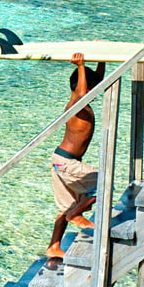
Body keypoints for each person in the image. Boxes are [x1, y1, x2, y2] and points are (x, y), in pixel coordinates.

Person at [46, 53, 105, 259]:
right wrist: (81, 65)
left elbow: (94, 83)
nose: (95, 92)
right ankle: (76, 214)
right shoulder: (76, 104)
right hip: (67, 162)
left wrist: (101, 59)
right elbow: (82, 93)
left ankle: (53, 246)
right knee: (104, 184)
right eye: (92, 89)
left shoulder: (81, 103)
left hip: (61, 161)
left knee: (65, 207)